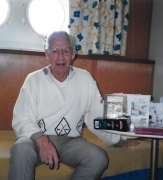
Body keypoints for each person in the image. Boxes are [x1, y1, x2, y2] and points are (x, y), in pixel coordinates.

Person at [8, 30, 139, 180]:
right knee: (21, 149)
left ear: (73, 53)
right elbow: (21, 118)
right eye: (55, 51)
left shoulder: (85, 78)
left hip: (71, 142)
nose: (60, 56)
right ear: (47, 54)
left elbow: (95, 117)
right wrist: (42, 139)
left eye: (65, 51)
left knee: (98, 158)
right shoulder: (33, 80)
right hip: (36, 140)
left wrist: (118, 141)